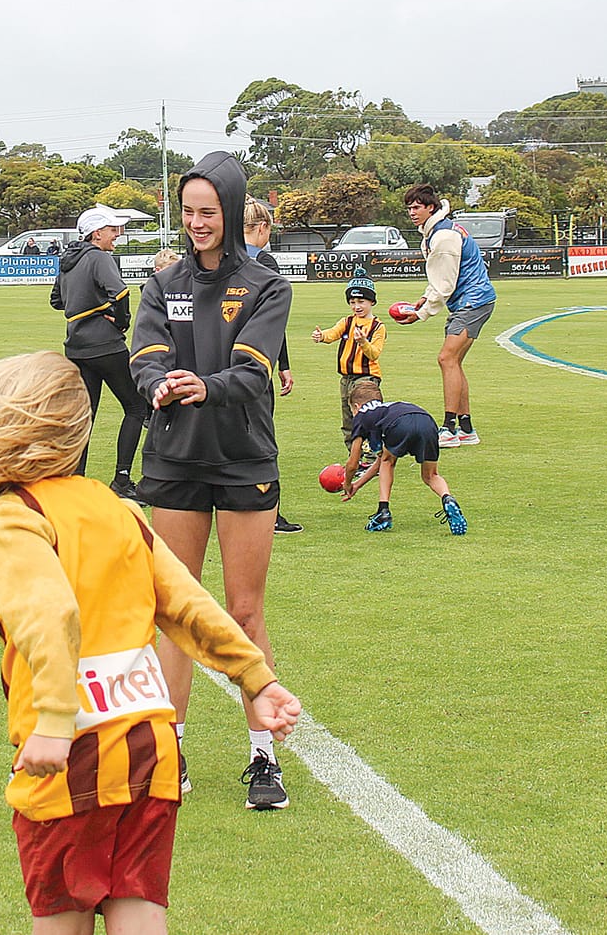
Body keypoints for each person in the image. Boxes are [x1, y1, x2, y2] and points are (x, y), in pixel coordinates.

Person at [0, 351, 300, 934]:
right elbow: (186, 603)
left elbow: (50, 614)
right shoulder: (116, 507)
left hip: (74, 751)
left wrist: (54, 721)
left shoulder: (11, 519)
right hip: (149, 745)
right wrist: (256, 678)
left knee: (61, 918)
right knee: (138, 910)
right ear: (78, 431)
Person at [129, 152, 294, 810]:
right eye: (188, 211)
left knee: (243, 611)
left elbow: (253, 371)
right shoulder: (161, 282)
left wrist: (207, 385)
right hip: (174, 460)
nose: (197, 222)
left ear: (229, 207)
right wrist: (159, 383)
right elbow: (145, 355)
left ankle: (264, 757)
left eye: (208, 210)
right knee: (176, 613)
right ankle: (170, 752)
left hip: (243, 458)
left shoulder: (266, 285)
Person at [52, 205, 147, 496]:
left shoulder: (68, 259)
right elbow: (121, 293)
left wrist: (85, 304)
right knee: (136, 407)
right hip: (105, 345)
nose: (116, 234)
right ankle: (121, 481)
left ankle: (75, 481)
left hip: (75, 347)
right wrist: (121, 321)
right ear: (96, 234)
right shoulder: (99, 257)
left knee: (86, 415)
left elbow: (56, 301)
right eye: (111, 230)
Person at [394, 184, 496, 448]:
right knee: (454, 362)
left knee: (446, 358)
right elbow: (439, 279)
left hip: (473, 302)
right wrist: (425, 298)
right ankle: (466, 429)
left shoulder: (443, 237)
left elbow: (445, 284)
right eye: (409, 208)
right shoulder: (436, 232)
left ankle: (449, 429)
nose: (412, 212)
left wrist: (421, 313)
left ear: (431, 207)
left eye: (417, 207)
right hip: (471, 301)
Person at [334, 378, 466, 534]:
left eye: (352, 411)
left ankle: (383, 511)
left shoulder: (362, 415)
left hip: (399, 423)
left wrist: (347, 483)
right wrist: (357, 485)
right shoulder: (385, 410)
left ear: (356, 406)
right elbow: (378, 462)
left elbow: (353, 463)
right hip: (427, 421)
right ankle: (447, 498)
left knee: (388, 462)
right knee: (430, 475)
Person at [241, 199, 300, 534]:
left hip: (218, 364)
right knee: (261, 440)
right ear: (262, 228)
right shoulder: (265, 262)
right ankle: (269, 514)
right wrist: (283, 364)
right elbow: (274, 321)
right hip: (255, 363)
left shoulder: (223, 260)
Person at [311, 276, 386, 447]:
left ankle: (372, 454)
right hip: (346, 379)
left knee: (367, 418)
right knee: (348, 420)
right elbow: (332, 333)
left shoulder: (377, 327)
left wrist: (363, 342)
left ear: (372, 302)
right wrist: (321, 336)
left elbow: (374, 354)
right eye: (352, 302)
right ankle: (354, 455)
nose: (356, 306)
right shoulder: (348, 321)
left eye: (361, 301)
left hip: (366, 378)